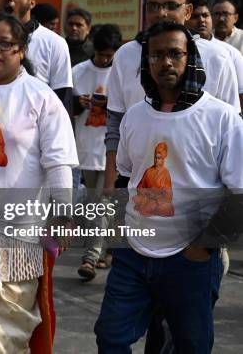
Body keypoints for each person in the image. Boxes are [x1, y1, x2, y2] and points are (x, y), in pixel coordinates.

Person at [95, 20, 243, 354]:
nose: (166, 62)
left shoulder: (223, 119)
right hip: (133, 253)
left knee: (190, 346)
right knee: (111, 336)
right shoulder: (134, 116)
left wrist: (201, 249)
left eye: (175, 53)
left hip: (190, 258)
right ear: (146, 62)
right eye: (157, 55)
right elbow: (126, 177)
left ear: (190, 58)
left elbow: (239, 194)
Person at [0, 12, 77, 353]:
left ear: (21, 49)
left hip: (20, 230)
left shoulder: (41, 97)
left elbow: (58, 162)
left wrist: (63, 213)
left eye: (5, 44)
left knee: (9, 328)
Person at [104, 0, 240, 195]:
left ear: (188, 11)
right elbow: (115, 126)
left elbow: (233, 134)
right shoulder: (126, 55)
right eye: (153, 6)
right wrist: (109, 191)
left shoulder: (218, 58)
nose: (161, 13)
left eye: (171, 5)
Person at [73, 24, 122, 281]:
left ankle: (90, 258)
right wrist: (77, 104)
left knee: (102, 204)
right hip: (85, 147)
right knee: (95, 203)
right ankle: (106, 249)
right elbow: (63, 109)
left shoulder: (122, 73)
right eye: (101, 54)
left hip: (111, 150)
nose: (105, 59)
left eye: (109, 55)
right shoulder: (79, 72)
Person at [186, 0, 243, 111]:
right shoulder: (179, 50)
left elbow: (240, 94)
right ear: (185, 19)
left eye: (205, 15)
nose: (201, 20)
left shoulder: (229, 53)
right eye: (195, 16)